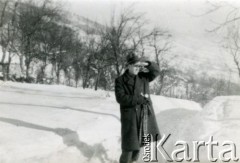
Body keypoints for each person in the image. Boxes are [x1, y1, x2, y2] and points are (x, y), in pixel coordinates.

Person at [115, 52, 161, 163]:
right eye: (134, 66)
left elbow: (156, 71)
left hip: (143, 115)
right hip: (130, 117)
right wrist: (138, 99)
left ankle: (133, 161)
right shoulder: (120, 80)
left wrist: (146, 63)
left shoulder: (143, 77)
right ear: (128, 66)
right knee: (129, 147)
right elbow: (120, 98)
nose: (137, 68)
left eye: (138, 66)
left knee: (139, 144)